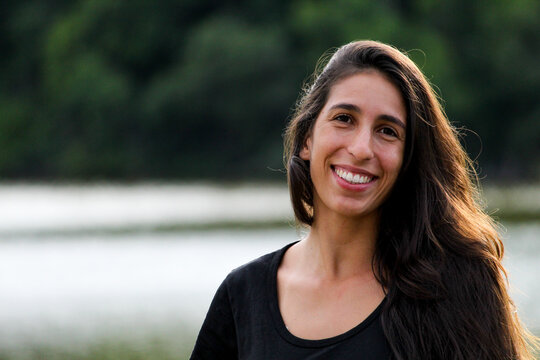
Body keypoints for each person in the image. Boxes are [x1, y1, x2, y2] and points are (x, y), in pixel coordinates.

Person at [190, 40, 537, 359]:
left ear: (407, 160)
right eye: (344, 119)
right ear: (308, 139)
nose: (360, 149)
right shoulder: (242, 296)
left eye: (387, 131)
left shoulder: (455, 288)